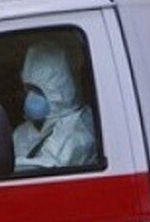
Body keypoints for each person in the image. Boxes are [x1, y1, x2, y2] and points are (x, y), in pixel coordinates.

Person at [12, 41, 96, 170]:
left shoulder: (77, 131)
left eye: (37, 91)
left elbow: (46, 170)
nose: (30, 97)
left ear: (58, 92)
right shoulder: (23, 131)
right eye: (28, 89)